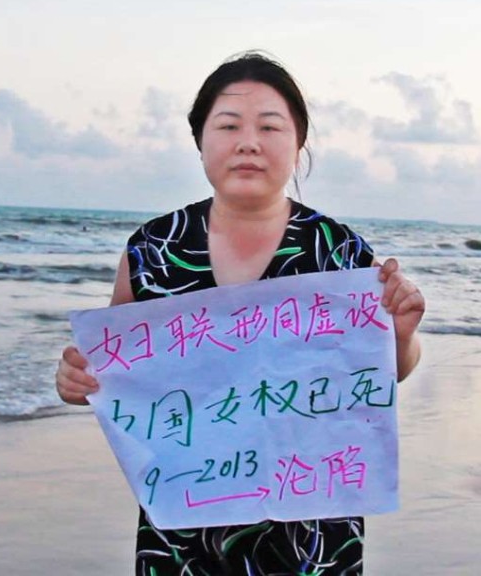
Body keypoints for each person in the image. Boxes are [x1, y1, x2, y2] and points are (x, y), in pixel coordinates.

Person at [54, 52, 425, 575]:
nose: (248, 142)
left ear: (298, 144)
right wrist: (77, 379)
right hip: (185, 526)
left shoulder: (338, 251)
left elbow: (382, 373)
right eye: (228, 125)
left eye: (270, 127)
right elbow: (117, 371)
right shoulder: (154, 248)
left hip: (312, 528)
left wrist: (402, 335)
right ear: (200, 142)